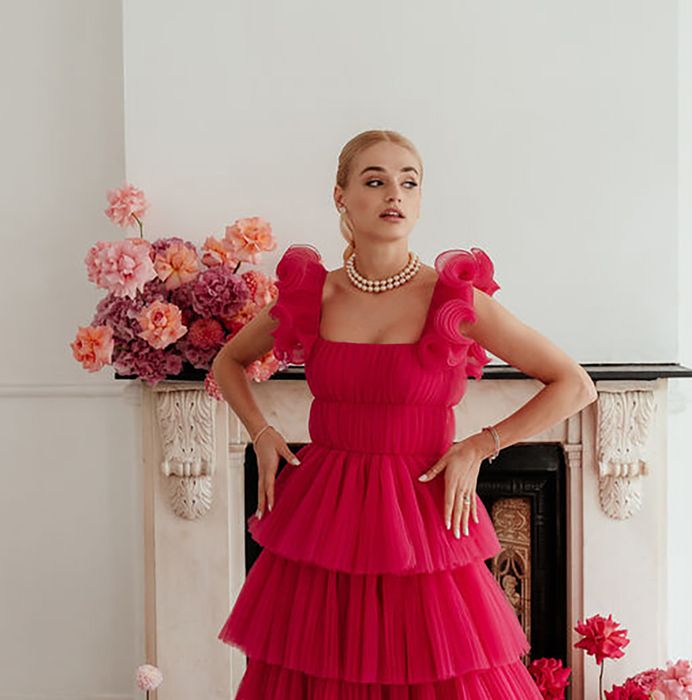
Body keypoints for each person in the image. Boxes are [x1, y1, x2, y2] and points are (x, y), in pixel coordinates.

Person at [212, 129, 597, 698]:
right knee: (316, 671)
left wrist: (481, 444)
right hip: (326, 511)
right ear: (341, 196)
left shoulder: (455, 299)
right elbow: (228, 362)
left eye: (408, 182)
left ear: (419, 201)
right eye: (375, 180)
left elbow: (574, 385)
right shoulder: (313, 295)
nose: (395, 193)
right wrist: (262, 432)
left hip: (424, 511)